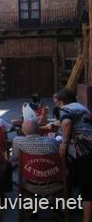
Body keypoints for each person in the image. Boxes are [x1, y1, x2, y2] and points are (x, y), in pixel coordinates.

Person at [57, 88, 92, 222]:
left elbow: (67, 122)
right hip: (89, 146)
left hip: (82, 150)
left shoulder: (65, 109)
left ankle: (85, 219)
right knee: (85, 182)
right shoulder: (83, 108)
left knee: (86, 186)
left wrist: (64, 142)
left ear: (61, 101)